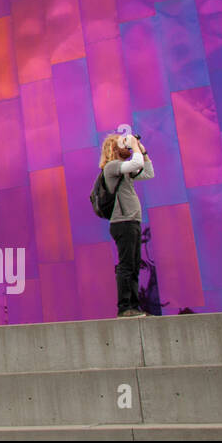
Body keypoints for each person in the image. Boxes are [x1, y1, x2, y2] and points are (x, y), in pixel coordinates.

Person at [100, 133, 155, 318]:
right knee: (126, 266)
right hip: (122, 222)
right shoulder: (112, 167)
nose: (127, 146)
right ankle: (125, 307)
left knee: (132, 265)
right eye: (122, 144)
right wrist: (133, 145)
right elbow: (136, 164)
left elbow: (147, 172)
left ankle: (133, 306)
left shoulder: (123, 170)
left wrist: (142, 149)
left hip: (132, 221)